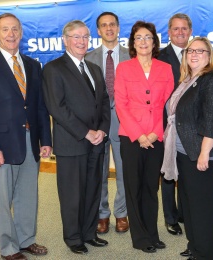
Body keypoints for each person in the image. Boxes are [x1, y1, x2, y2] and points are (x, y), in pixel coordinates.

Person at [0, 13, 52, 260]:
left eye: (15, 29)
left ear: (21, 32)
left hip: (30, 140)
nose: (11, 34)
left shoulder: (33, 65)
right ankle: (8, 248)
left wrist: (46, 140)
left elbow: (40, 107)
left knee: (28, 195)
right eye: (5, 29)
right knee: (3, 200)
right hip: (0, 145)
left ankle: (26, 240)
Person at [42, 20, 111, 255]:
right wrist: (86, 132)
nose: (82, 42)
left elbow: (103, 102)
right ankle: (73, 237)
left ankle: (89, 233)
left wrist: (102, 129)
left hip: (97, 142)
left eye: (85, 37)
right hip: (72, 142)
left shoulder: (94, 68)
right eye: (76, 37)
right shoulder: (54, 69)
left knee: (93, 190)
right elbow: (57, 108)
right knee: (72, 194)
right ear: (65, 40)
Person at [161, 37, 213, 260]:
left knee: (203, 208)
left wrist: (204, 153)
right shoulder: (187, 80)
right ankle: (194, 245)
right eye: (190, 50)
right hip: (184, 152)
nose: (194, 54)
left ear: (209, 56)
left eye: (200, 51)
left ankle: (205, 254)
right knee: (189, 205)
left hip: (204, 153)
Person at [114, 21, 173, 253]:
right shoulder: (124, 68)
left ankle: (152, 234)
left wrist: (154, 133)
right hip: (131, 137)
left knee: (151, 188)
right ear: (133, 43)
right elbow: (121, 105)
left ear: (154, 41)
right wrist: (139, 135)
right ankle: (139, 238)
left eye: (148, 37)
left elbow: (169, 105)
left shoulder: (165, 68)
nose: (143, 42)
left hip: (157, 136)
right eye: (138, 38)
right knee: (133, 187)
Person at [85, 11, 130, 234]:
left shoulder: (131, 55)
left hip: (125, 121)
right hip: (98, 123)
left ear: (119, 27)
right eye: (104, 25)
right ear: (99, 30)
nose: (109, 29)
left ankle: (122, 213)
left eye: (112, 24)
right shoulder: (88, 57)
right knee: (99, 171)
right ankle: (102, 214)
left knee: (124, 170)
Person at [158, 13, 193, 236]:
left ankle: (184, 213)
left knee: (188, 171)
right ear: (169, 32)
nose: (180, 33)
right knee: (169, 171)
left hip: (191, 124)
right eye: (175, 29)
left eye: (184, 29)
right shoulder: (159, 57)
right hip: (167, 124)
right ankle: (171, 218)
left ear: (190, 31)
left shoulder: (198, 53)